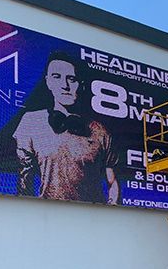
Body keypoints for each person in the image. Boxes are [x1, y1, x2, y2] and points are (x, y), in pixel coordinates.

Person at [12, 51, 120, 205]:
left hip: (93, 217)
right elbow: (24, 175)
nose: (65, 85)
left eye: (72, 79)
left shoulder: (100, 131)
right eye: (57, 77)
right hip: (48, 215)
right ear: (48, 82)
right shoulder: (31, 121)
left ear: (81, 84)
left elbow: (112, 180)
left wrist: (111, 207)